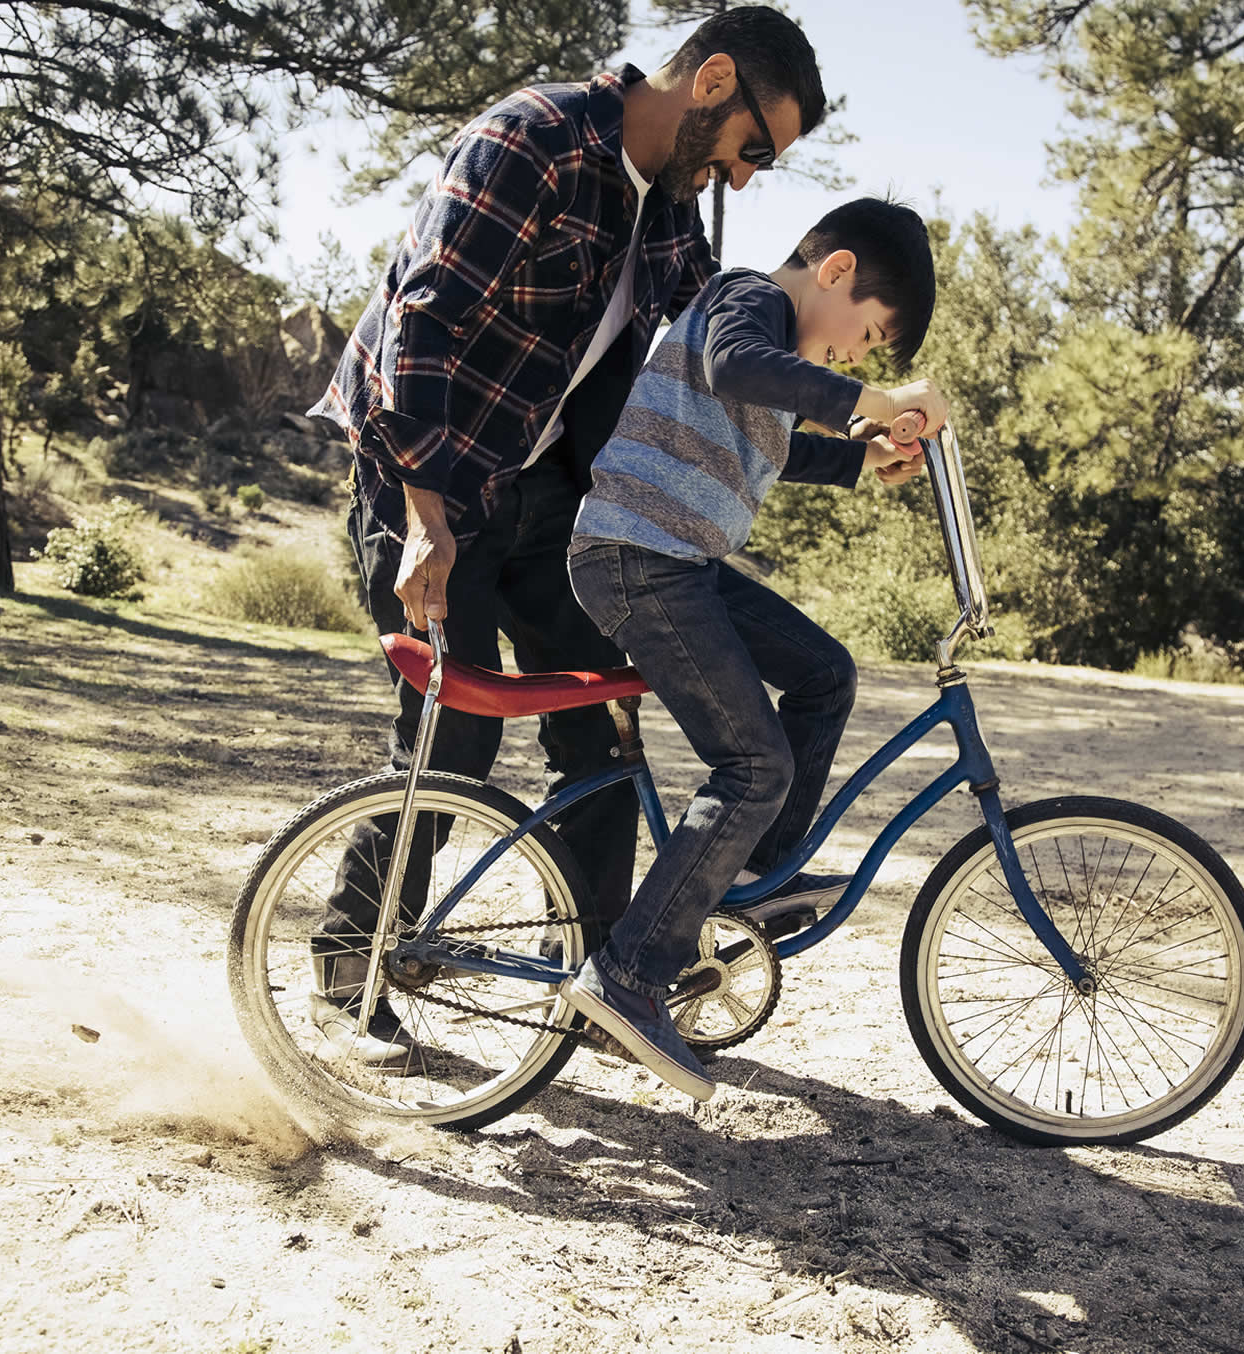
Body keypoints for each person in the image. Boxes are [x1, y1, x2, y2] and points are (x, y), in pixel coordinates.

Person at [305, 8, 832, 1067]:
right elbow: (422, 321)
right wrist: (424, 518)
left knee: (603, 728)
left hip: (546, 494)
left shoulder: (669, 213)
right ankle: (349, 969)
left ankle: (602, 986)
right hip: (428, 473)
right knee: (453, 733)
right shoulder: (533, 138)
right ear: (711, 81)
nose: (744, 179)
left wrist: (850, 436)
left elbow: (712, 380)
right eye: (754, 148)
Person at [559, 196, 947, 1100]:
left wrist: (862, 456)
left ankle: (755, 874)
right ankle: (627, 972)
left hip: (677, 559)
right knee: (753, 765)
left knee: (824, 674)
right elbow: (738, 366)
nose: (854, 359)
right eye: (865, 336)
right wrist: (875, 402)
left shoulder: (769, 352)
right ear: (836, 272)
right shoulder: (746, 301)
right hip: (636, 556)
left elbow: (771, 445)